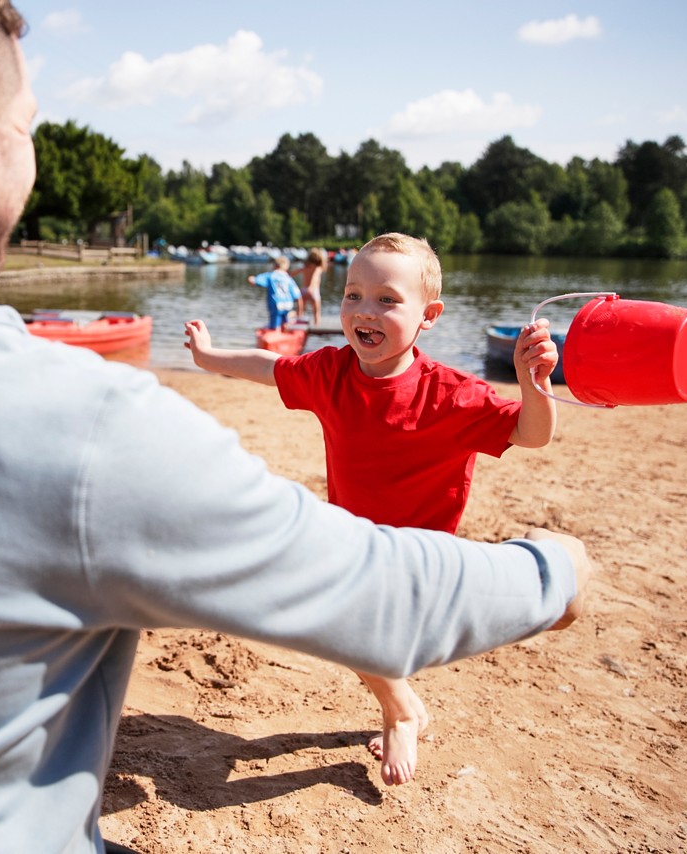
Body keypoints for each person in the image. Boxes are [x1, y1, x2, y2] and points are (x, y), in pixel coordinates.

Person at [0, 3, 591, 850]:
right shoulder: (77, 428)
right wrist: (551, 569)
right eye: (27, 126)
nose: (31, 158)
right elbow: (383, 604)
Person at [184, 232, 560, 787]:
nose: (365, 310)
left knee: (356, 632)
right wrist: (209, 355)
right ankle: (403, 707)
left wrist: (535, 383)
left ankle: (403, 711)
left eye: (387, 300)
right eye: (354, 295)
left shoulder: (452, 395)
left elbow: (531, 435)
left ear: (429, 316)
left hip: (423, 557)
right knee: (338, 621)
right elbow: (268, 366)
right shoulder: (331, 372)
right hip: (355, 546)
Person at [249, 255, 303, 330]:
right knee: (284, 323)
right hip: (288, 304)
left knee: (275, 327)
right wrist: (299, 314)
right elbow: (298, 297)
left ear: (274, 266)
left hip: (277, 304)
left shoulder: (270, 276)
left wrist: (251, 279)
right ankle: (285, 334)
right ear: (286, 267)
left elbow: (255, 281)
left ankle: (275, 334)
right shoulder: (288, 279)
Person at [289, 247, 327, 327]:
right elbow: (315, 277)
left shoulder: (305, 267)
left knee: (300, 311)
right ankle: (317, 326)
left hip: (304, 290)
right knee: (316, 312)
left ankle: (291, 319)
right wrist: (311, 287)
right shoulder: (318, 268)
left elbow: (292, 274)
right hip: (313, 291)